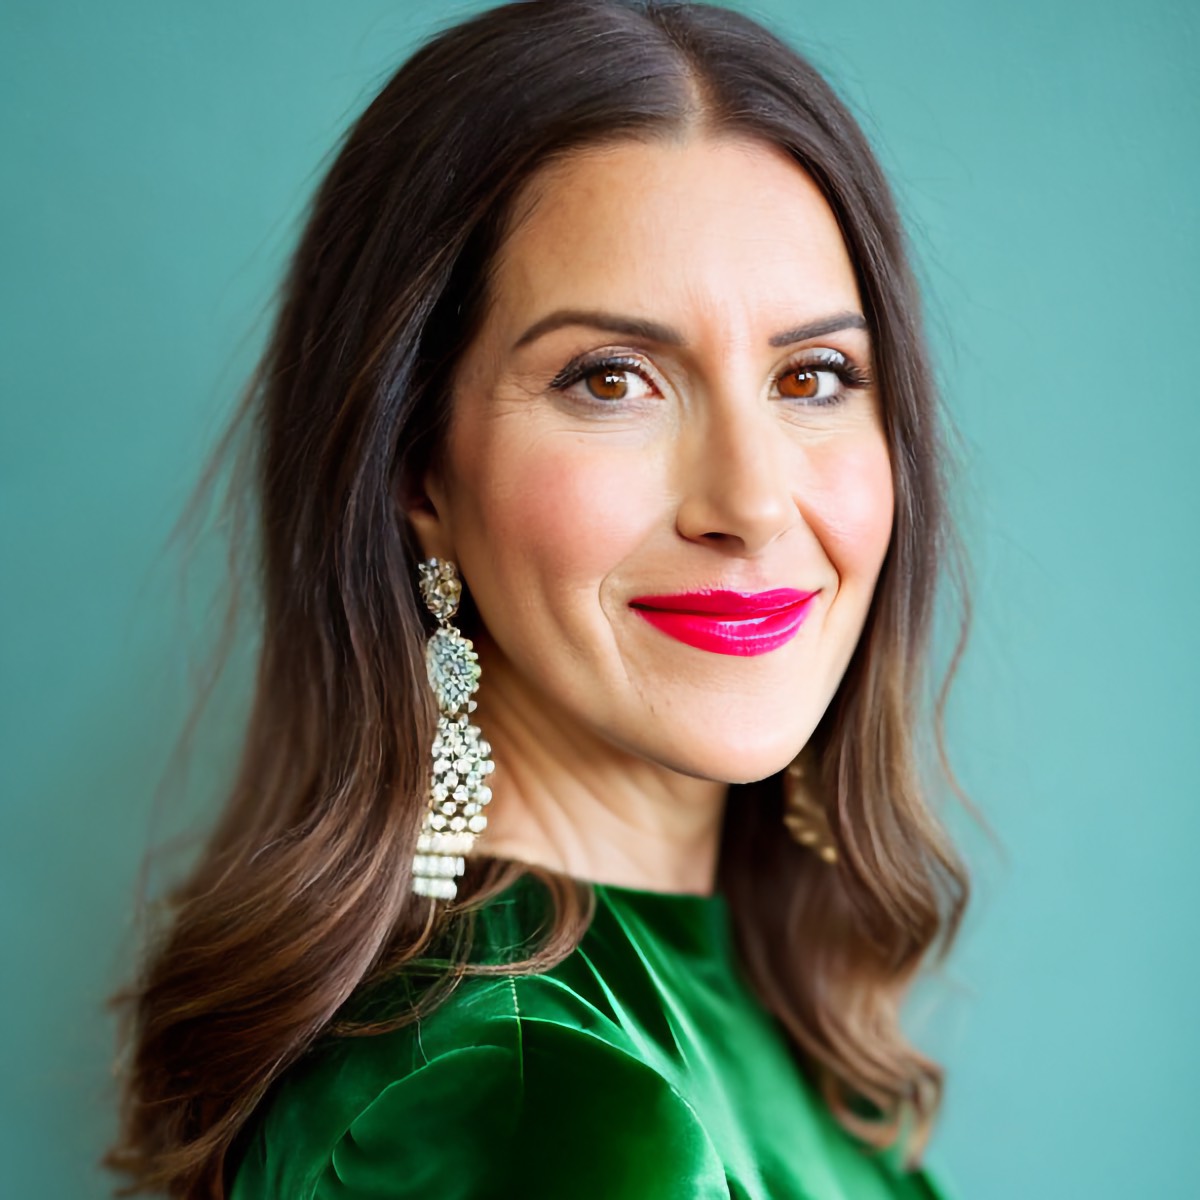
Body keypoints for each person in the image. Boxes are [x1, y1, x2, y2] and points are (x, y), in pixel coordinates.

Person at [104, 1, 977, 1196]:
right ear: (419, 470)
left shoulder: (716, 1020)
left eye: (812, 375)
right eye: (612, 379)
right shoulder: (533, 1096)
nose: (754, 501)